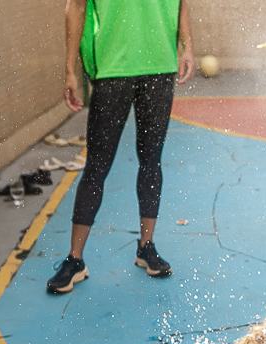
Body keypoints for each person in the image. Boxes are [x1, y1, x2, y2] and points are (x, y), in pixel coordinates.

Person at [45, 0, 197, 294]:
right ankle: (75, 260)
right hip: (113, 68)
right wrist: (70, 70)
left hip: (160, 65)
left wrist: (186, 46)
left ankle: (146, 248)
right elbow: (75, 7)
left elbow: (181, 2)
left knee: (151, 160)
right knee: (97, 166)